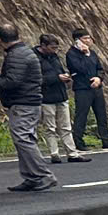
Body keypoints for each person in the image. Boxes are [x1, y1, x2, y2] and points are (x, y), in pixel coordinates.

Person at [0, 23, 55, 191]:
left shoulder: (16, 55)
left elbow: (12, 81)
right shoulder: (24, 52)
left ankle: (43, 175)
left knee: (23, 139)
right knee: (25, 139)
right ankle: (31, 177)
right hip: (29, 102)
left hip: (23, 103)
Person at [34, 33, 82, 164]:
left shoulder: (54, 56)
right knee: (50, 127)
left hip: (60, 94)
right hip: (46, 97)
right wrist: (56, 78)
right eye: (52, 47)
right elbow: (35, 79)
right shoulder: (34, 58)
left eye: (56, 48)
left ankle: (72, 153)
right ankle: (54, 153)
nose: (54, 50)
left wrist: (65, 76)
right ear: (43, 45)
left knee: (66, 126)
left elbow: (60, 70)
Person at [65, 29, 108, 151]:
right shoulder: (71, 54)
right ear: (77, 41)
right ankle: (78, 142)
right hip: (82, 88)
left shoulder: (93, 53)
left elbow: (100, 68)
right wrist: (85, 54)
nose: (88, 41)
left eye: (89, 38)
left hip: (96, 87)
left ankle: (106, 140)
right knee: (81, 115)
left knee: (101, 114)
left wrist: (99, 78)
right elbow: (80, 68)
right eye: (85, 39)